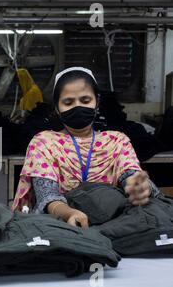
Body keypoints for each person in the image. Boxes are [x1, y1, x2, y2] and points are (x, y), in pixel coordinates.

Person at [12, 67, 161, 228]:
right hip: (61, 228)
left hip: (112, 228)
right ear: (56, 108)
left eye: (85, 100)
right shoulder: (44, 143)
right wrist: (69, 213)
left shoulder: (116, 141)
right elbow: (47, 196)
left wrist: (138, 186)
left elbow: (130, 174)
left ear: (97, 102)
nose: (78, 107)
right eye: (68, 102)